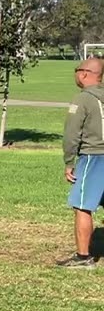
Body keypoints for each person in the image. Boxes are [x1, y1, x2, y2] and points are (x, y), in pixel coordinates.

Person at [57, 56, 104, 269]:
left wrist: (69, 161)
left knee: (83, 206)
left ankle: (83, 257)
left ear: (84, 73)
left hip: (94, 158)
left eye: (77, 70)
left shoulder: (82, 99)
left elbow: (71, 134)